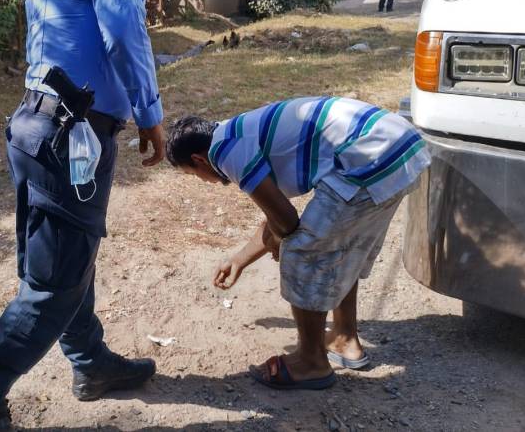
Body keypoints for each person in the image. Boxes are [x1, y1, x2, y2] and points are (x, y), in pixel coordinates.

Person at [0, 0, 166, 431]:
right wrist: (150, 114)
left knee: (69, 259)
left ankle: (90, 363)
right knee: (54, 282)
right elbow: (124, 29)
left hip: (35, 126)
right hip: (72, 135)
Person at [165, 97, 431, 390]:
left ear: (198, 160)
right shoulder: (239, 133)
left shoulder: (225, 151)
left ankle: (311, 362)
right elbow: (275, 214)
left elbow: (286, 221)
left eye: (195, 175)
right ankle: (344, 338)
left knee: (302, 252)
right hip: (399, 146)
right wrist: (240, 259)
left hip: (370, 157)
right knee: (339, 247)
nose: (205, 182)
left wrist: (283, 238)